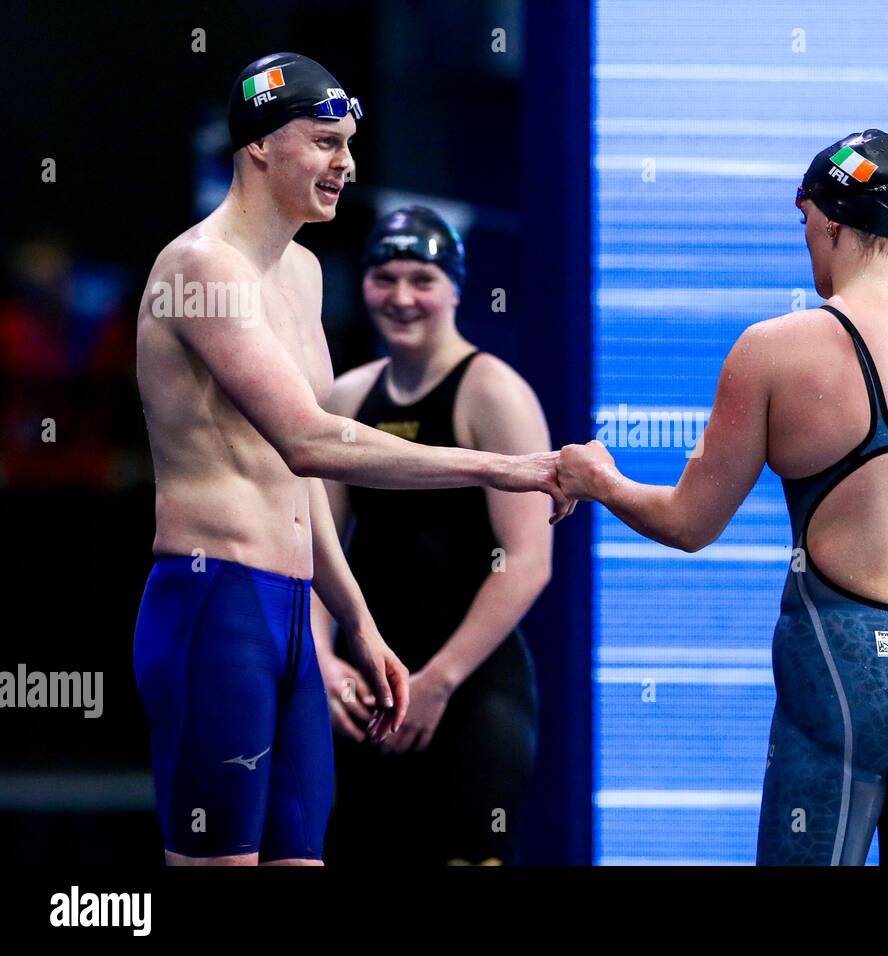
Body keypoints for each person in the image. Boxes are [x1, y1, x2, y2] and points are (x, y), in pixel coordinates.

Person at [558, 129, 888, 866]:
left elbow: (689, 524)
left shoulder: (772, 352)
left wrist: (600, 480)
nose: (807, 238)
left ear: (832, 221)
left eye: (806, 221)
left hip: (841, 667)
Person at [133, 53, 571, 867]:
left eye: (351, 145)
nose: (348, 165)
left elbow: (305, 479)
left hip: (296, 614)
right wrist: (497, 466)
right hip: (216, 606)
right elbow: (309, 436)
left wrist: (358, 623)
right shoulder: (200, 269)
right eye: (327, 142)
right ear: (260, 145)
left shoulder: (300, 272)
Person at [313, 207, 551, 866]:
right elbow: (319, 551)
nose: (402, 297)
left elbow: (527, 563)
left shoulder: (494, 394)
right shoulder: (345, 400)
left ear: (454, 287)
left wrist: (439, 682)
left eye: (421, 278)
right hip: (367, 691)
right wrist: (324, 662)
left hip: (473, 689)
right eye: (384, 277)